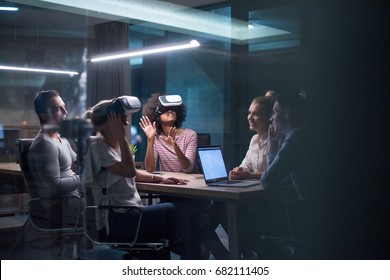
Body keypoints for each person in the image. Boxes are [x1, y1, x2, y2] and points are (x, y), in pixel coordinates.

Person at [82, 98, 187, 250]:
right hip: (120, 220)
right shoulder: (98, 148)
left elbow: (132, 172)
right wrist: (121, 135)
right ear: (105, 124)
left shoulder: (116, 146)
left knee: (188, 218)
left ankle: (186, 248)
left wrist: (160, 179)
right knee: (181, 211)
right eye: (120, 119)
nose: (125, 123)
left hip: (133, 213)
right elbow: (129, 171)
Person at [240, 93, 309, 259]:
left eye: (275, 112)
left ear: (288, 113)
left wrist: (271, 148)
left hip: (304, 213)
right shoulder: (301, 135)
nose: (272, 118)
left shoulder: (296, 138)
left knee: (242, 224)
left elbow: (268, 180)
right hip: (306, 210)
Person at [28, 90, 83, 228]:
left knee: (112, 197)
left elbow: (80, 162)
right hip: (60, 206)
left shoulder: (61, 139)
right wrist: (83, 178)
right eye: (58, 109)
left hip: (73, 199)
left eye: (64, 106)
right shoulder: (44, 144)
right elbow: (54, 186)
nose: (65, 112)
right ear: (44, 115)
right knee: (108, 205)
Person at [139, 93, 197, 173]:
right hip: (168, 182)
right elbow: (149, 169)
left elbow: (187, 168)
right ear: (157, 116)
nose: (170, 111)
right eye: (164, 109)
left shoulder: (190, 135)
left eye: (173, 109)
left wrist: (175, 146)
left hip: (188, 183)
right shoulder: (157, 137)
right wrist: (150, 140)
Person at [229, 96, 274, 180]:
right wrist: (239, 170)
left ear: (269, 117)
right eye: (249, 112)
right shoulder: (254, 139)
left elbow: (276, 174)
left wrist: (248, 175)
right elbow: (247, 164)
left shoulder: (277, 140)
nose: (249, 117)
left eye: (256, 114)